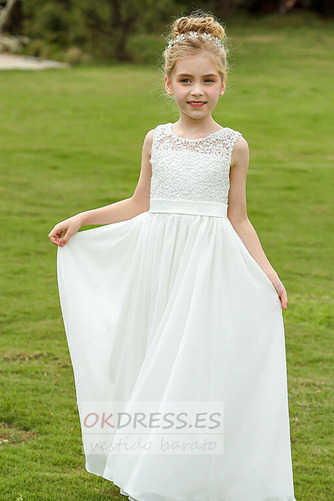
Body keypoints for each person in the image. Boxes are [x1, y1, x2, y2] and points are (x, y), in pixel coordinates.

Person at [48, 11, 297, 501]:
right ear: (168, 83)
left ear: (223, 84)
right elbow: (139, 202)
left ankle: (200, 473)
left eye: (207, 80)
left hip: (208, 268)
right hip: (158, 265)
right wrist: (83, 218)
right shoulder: (156, 139)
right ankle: (155, 468)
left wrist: (266, 272)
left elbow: (238, 217)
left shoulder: (233, 145)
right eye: (186, 80)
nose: (196, 90)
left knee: (196, 363)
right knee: (154, 361)